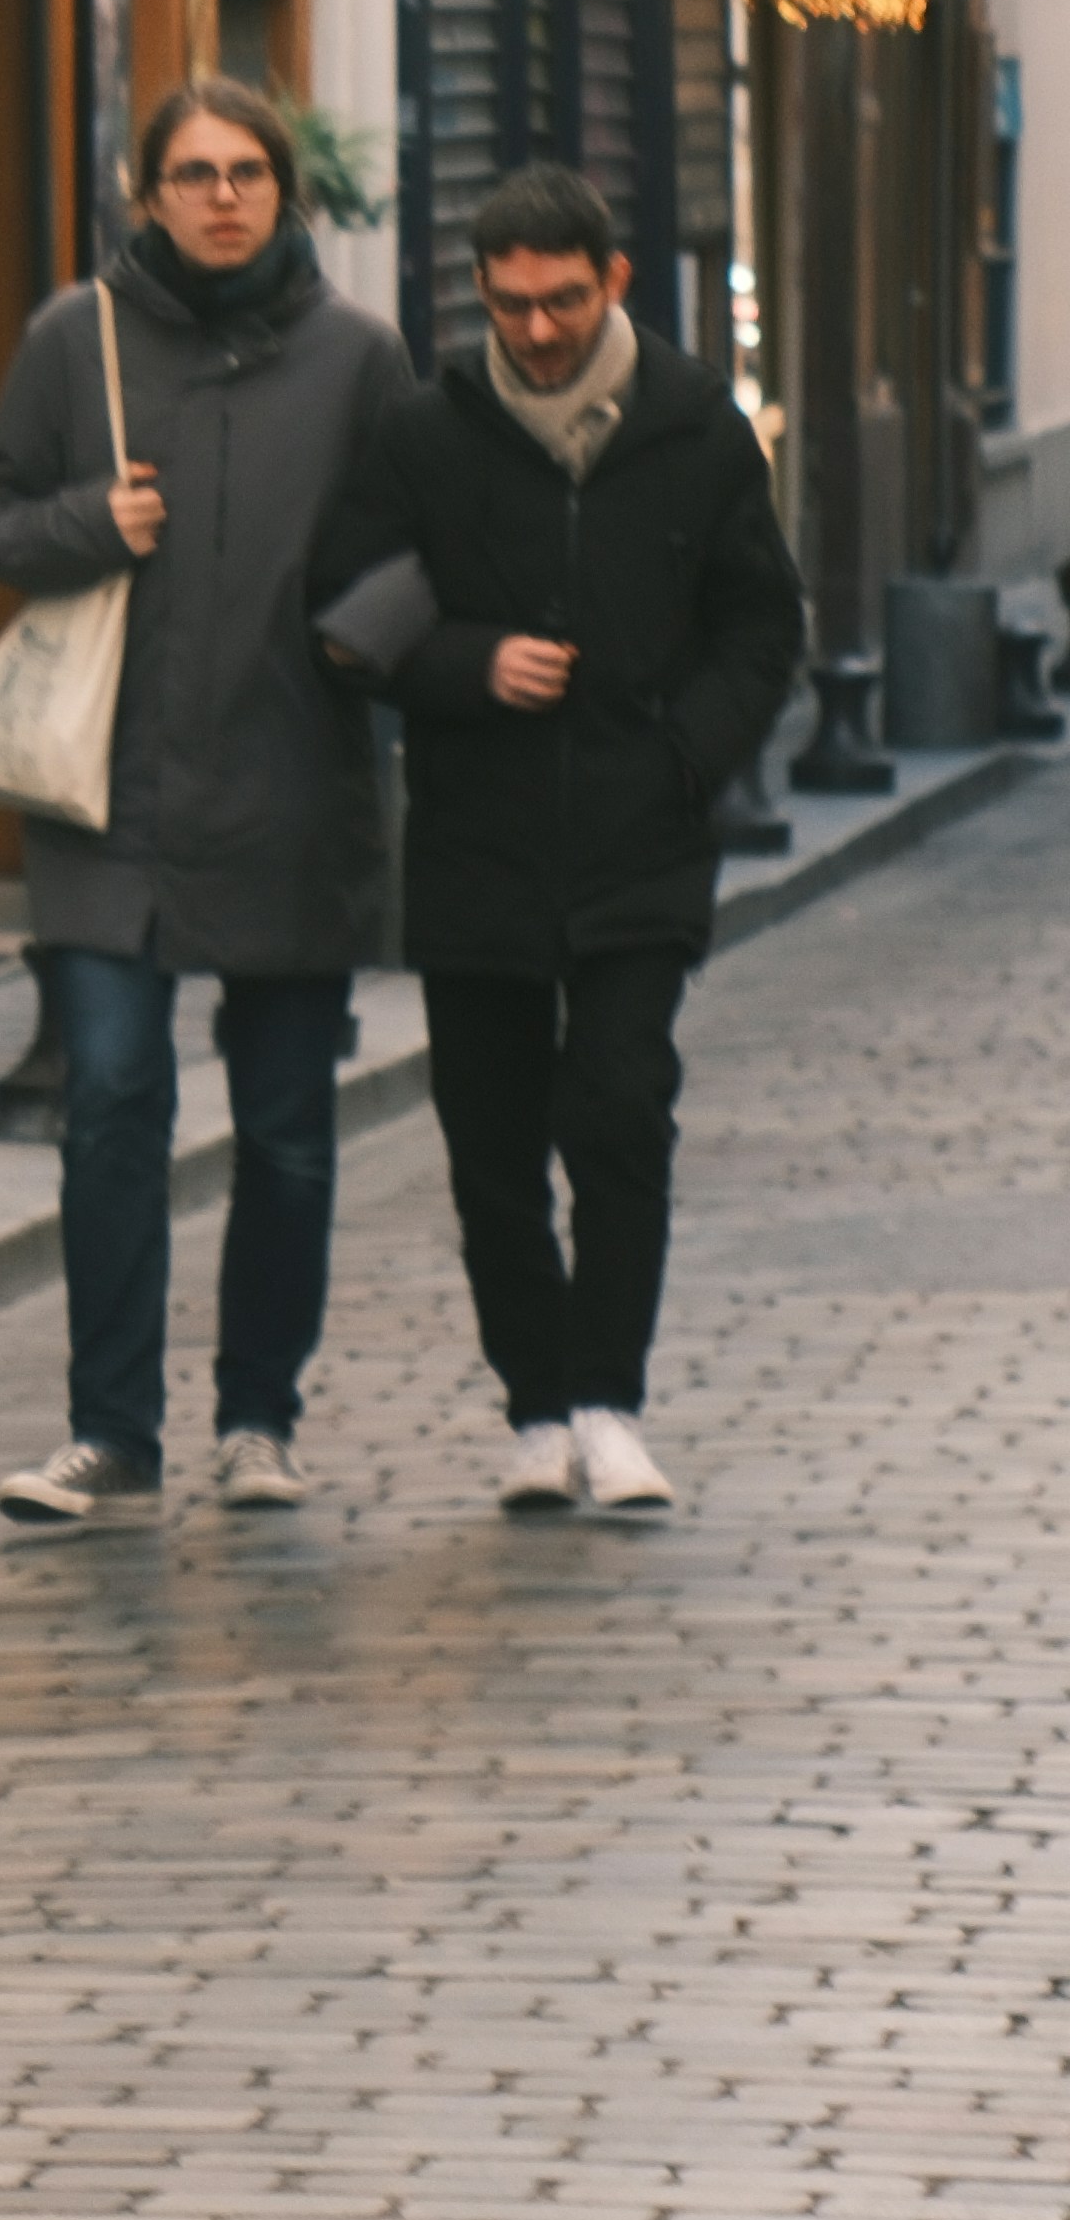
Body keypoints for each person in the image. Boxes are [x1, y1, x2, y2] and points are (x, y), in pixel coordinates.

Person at [0, 71, 415, 1527]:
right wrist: (94, 521)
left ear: (285, 193)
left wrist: (358, 643)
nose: (222, 197)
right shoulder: (70, 340)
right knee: (111, 1106)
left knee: (284, 1128)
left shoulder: (357, 358)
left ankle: (260, 1418)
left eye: (248, 174)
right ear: (146, 195)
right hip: (114, 808)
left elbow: (423, 545)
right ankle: (112, 1432)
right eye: (194, 174)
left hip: (292, 793)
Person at [322, 155, 803, 1521]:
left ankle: (610, 1405)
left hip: (639, 833)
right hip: (478, 837)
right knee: (490, 1143)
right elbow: (346, 611)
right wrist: (470, 664)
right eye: (512, 304)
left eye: (564, 302)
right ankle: (534, 1410)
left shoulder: (700, 427)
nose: (537, 330)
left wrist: (685, 753)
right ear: (478, 292)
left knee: (618, 1108)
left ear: (615, 285)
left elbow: (763, 623)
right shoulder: (431, 431)